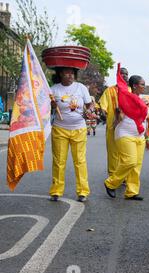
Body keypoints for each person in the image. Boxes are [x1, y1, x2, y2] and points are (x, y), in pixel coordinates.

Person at [49, 67, 92, 203]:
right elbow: (46, 107)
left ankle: (83, 191)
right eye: (67, 72)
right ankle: (56, 191)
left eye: (72, 73)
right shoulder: (54, 89)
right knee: (59, 161)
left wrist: (88, 111)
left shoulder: (81, 88)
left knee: (80, 161)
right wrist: (51, 104)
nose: (70, 75)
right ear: (61, 73)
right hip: (60, 129)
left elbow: (89, 105)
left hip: (79, 129)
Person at [104, 75, 149, 201]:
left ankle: (131, 192)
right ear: (134, 86)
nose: (144, 87)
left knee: (136, 166)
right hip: (125, 134)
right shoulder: (125, 100)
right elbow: (119, 118)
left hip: (139, 136)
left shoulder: (143, 101)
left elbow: (144, 121)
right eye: (142, 84)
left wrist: (147, 138)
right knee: (130, 161)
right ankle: (110, 183)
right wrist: (119, 112)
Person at [99, 67, 129, 176]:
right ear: (117, 76)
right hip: (112, 127)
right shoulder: (109, 91)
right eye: (121, 74)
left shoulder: (130, 90)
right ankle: (112, 175)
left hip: (127, 128)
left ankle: (123, 175)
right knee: (112, 152)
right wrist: (104, 115)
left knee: (125, 152)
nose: (124, 75)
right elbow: (103, 106)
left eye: (126, 74)